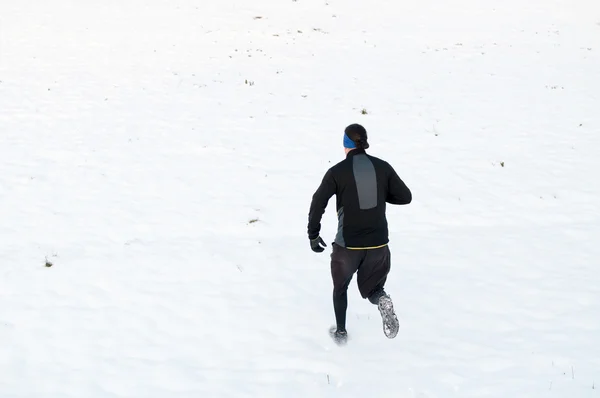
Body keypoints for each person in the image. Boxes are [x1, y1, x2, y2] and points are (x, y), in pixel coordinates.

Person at [307, 123, 412, 345]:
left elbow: (318, 202)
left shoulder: (336, 172)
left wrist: (313, 235)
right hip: (378, 246)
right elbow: (405, 196)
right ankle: (382, 300)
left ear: (345, 144)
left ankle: (341, 333)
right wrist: (380, 194)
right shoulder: (382, 167)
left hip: (348, 247)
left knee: (340, 288)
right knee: (374, 288)